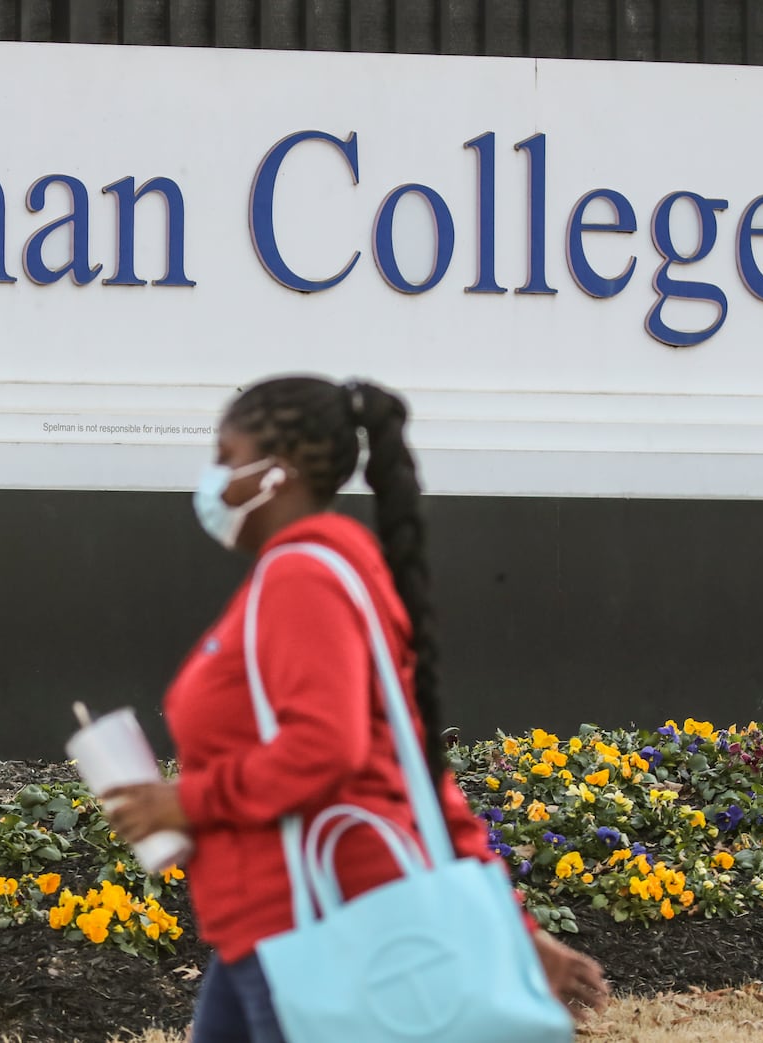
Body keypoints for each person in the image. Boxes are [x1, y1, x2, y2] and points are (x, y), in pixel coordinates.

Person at [104, 375, 609, 1043]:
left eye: (226, 458)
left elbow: (326, 746)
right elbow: (416, 774)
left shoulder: (301, 580)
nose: (214, 479)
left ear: (274, 475)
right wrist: (516, 928)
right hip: (273, 926)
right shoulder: (324, 577)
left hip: (308, 927)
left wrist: (187, 801)